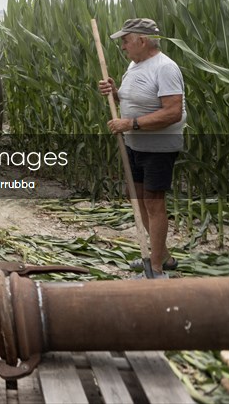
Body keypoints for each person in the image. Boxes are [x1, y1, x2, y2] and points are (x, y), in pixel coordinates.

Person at [97, 18, 186, 278]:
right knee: (138, 201)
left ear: (142, 40)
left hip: (158, 147)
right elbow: (133, 99)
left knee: (153, 203)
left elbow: (172, 112)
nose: (123, 46)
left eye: (125, 40)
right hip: (134, 144)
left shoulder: (165, 68)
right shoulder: (134, 66)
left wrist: (130, 123)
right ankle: (164, 256)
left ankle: (156, 268)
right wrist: (114, 93)